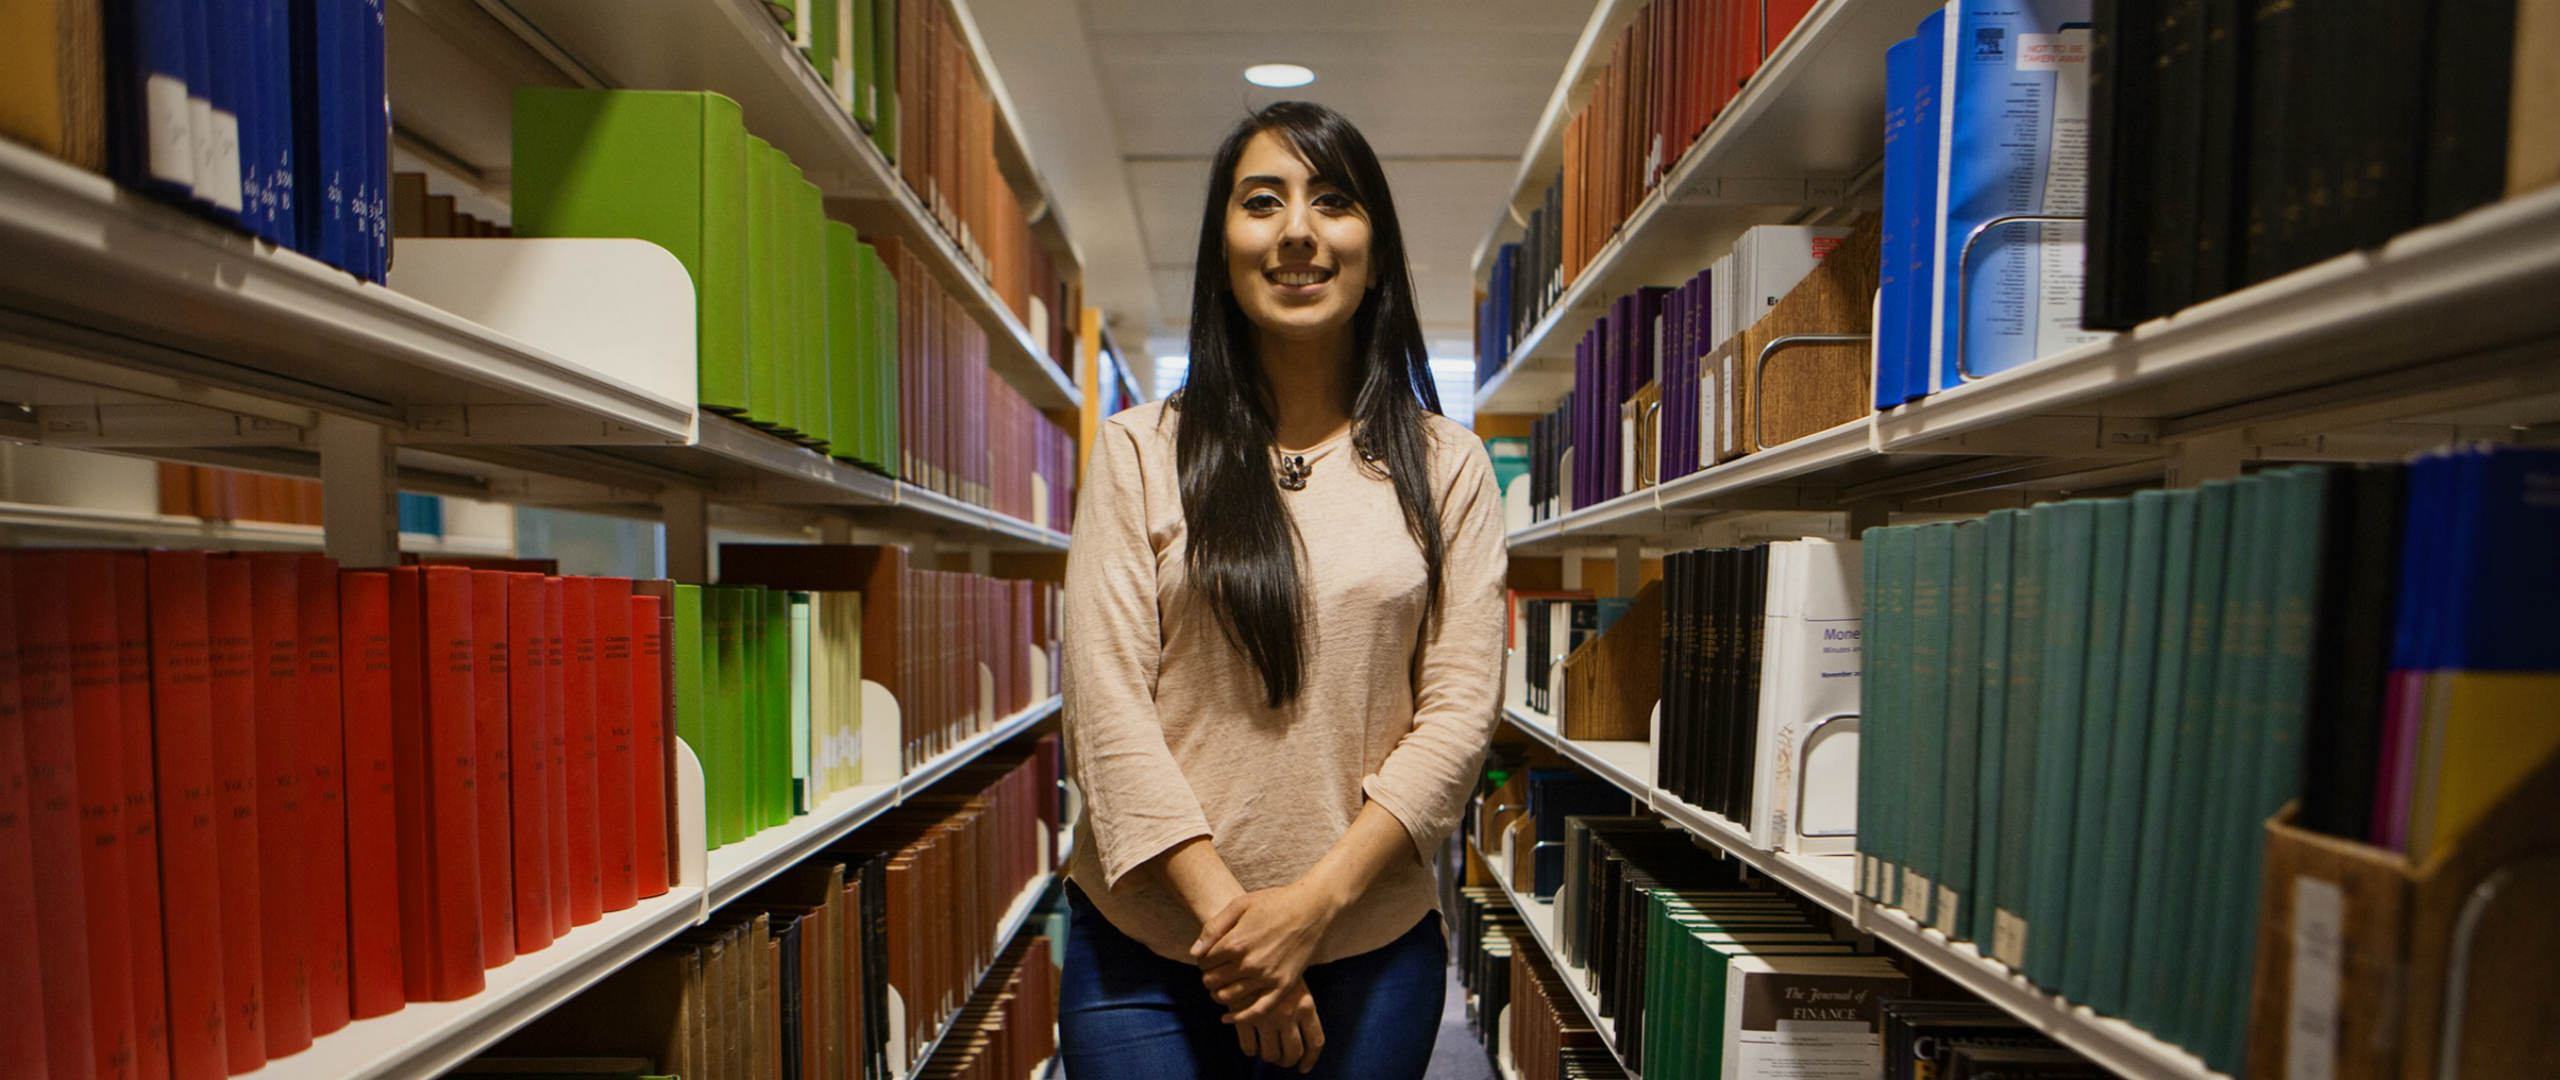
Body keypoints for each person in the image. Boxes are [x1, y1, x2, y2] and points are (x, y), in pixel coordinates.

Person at [1056, 100, 1508, 1079]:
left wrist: (1305, 915)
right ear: (1222, 248)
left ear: (1375, 249)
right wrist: (1244, 940)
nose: (1297, 230)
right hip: (1143, 951)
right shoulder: (1140, 453)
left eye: (1332, 202)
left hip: (1365, 951)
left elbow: (1459, 715)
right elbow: (1105, 710)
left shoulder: (1450, 467)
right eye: (1262, 202)